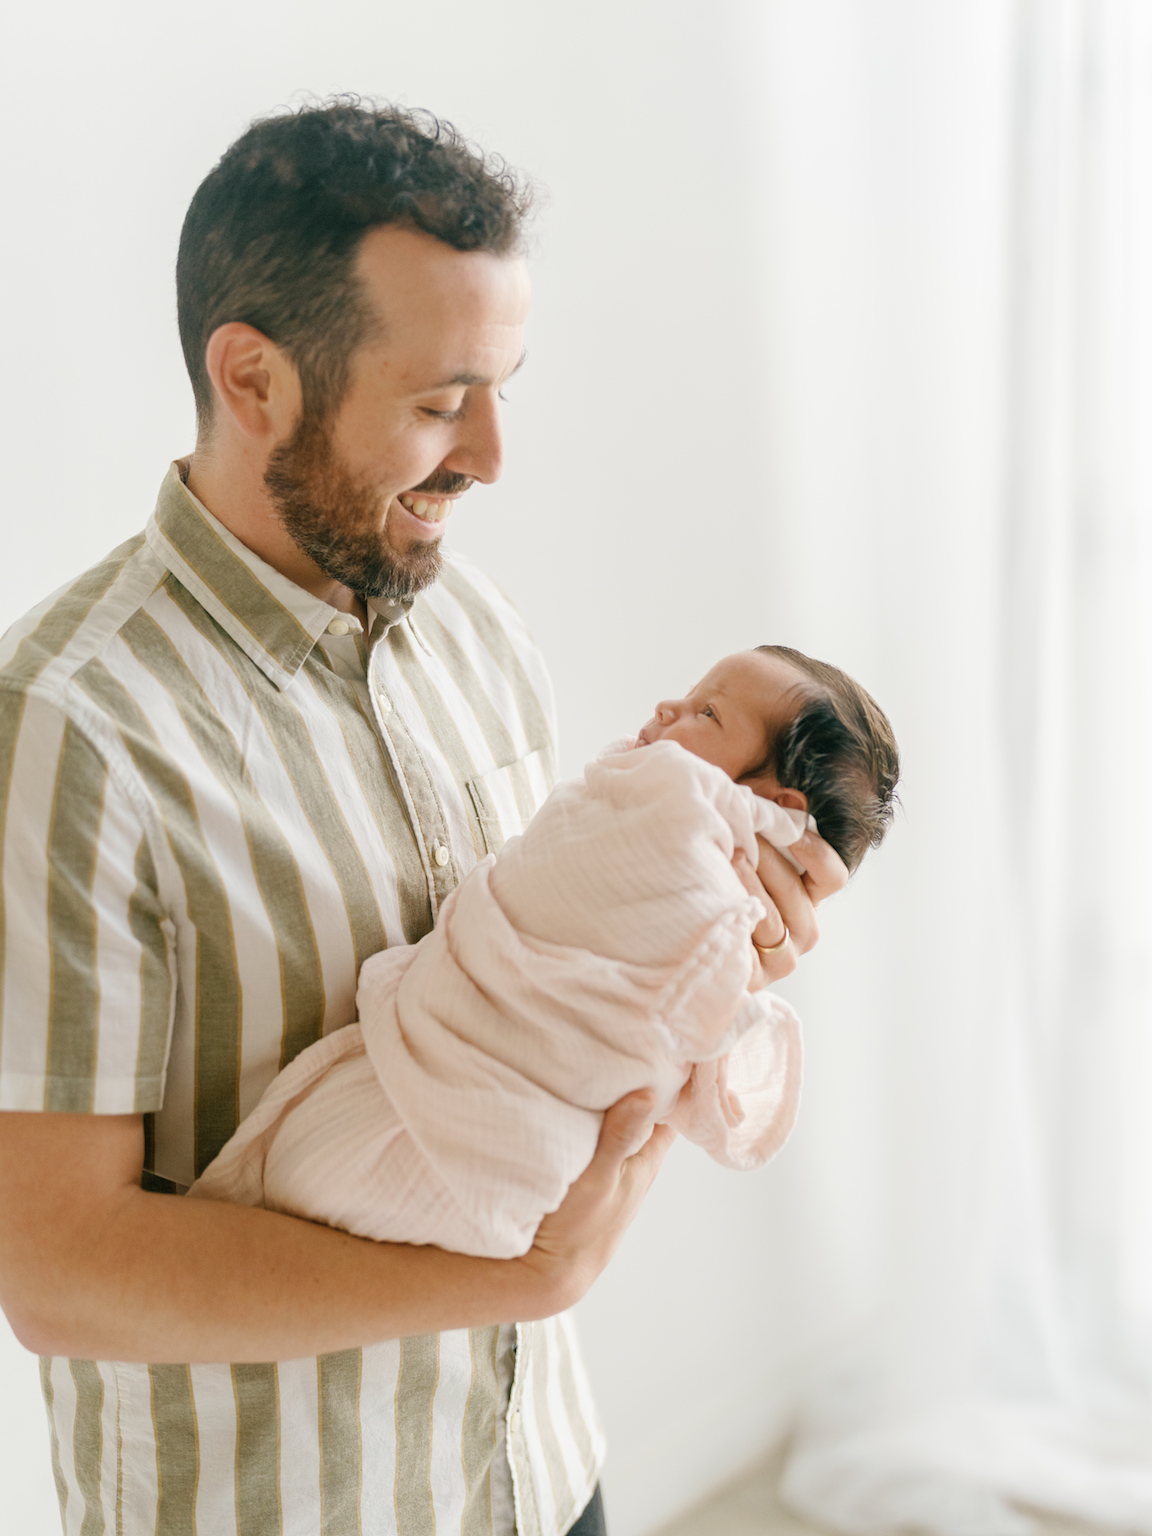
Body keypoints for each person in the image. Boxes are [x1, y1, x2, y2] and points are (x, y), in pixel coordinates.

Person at [0, 102, 848, 1536]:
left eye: (507, 388)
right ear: (253, 379)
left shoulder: (476, 631)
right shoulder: (73, 730)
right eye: (445, 399)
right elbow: (59, 1267)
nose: (497, 456)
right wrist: (519, 1284)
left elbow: (535, 993)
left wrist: (713, 944)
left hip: (537, 1475)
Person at [189, 645, 898, 1260]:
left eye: (706, 714)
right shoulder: (637, 804)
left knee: (311, 1179)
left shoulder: (685, 828)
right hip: (440, 1050)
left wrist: (714, 980)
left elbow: (645, 1045)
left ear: (771, 807)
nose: (668, 706)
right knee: (301, 1172)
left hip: (508, 1129)